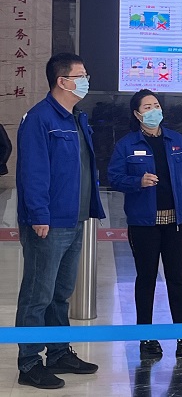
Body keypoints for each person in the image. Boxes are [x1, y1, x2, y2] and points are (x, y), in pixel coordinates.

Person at [15, 52, 105, 389]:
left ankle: (57, 353)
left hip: (75, 218)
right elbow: (33, 172)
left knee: (61, 293)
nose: (86, 81)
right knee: (37, 294)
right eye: (81, 76)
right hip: (48, 223)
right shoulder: (39, 119)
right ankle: (28, 363)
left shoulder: (77, 118)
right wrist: (39, 215)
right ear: (62, 81)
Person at [108, 89, 182, 360]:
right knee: (146, 279)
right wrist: (137, 181)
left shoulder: (176, 140)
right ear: (137, 114)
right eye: (147, 107)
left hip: (175, 222)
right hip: (144, 223)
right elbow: (114, 177)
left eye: (156, 105)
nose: (153, 111)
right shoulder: (126, 144)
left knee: (177, 279)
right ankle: (146, 338)